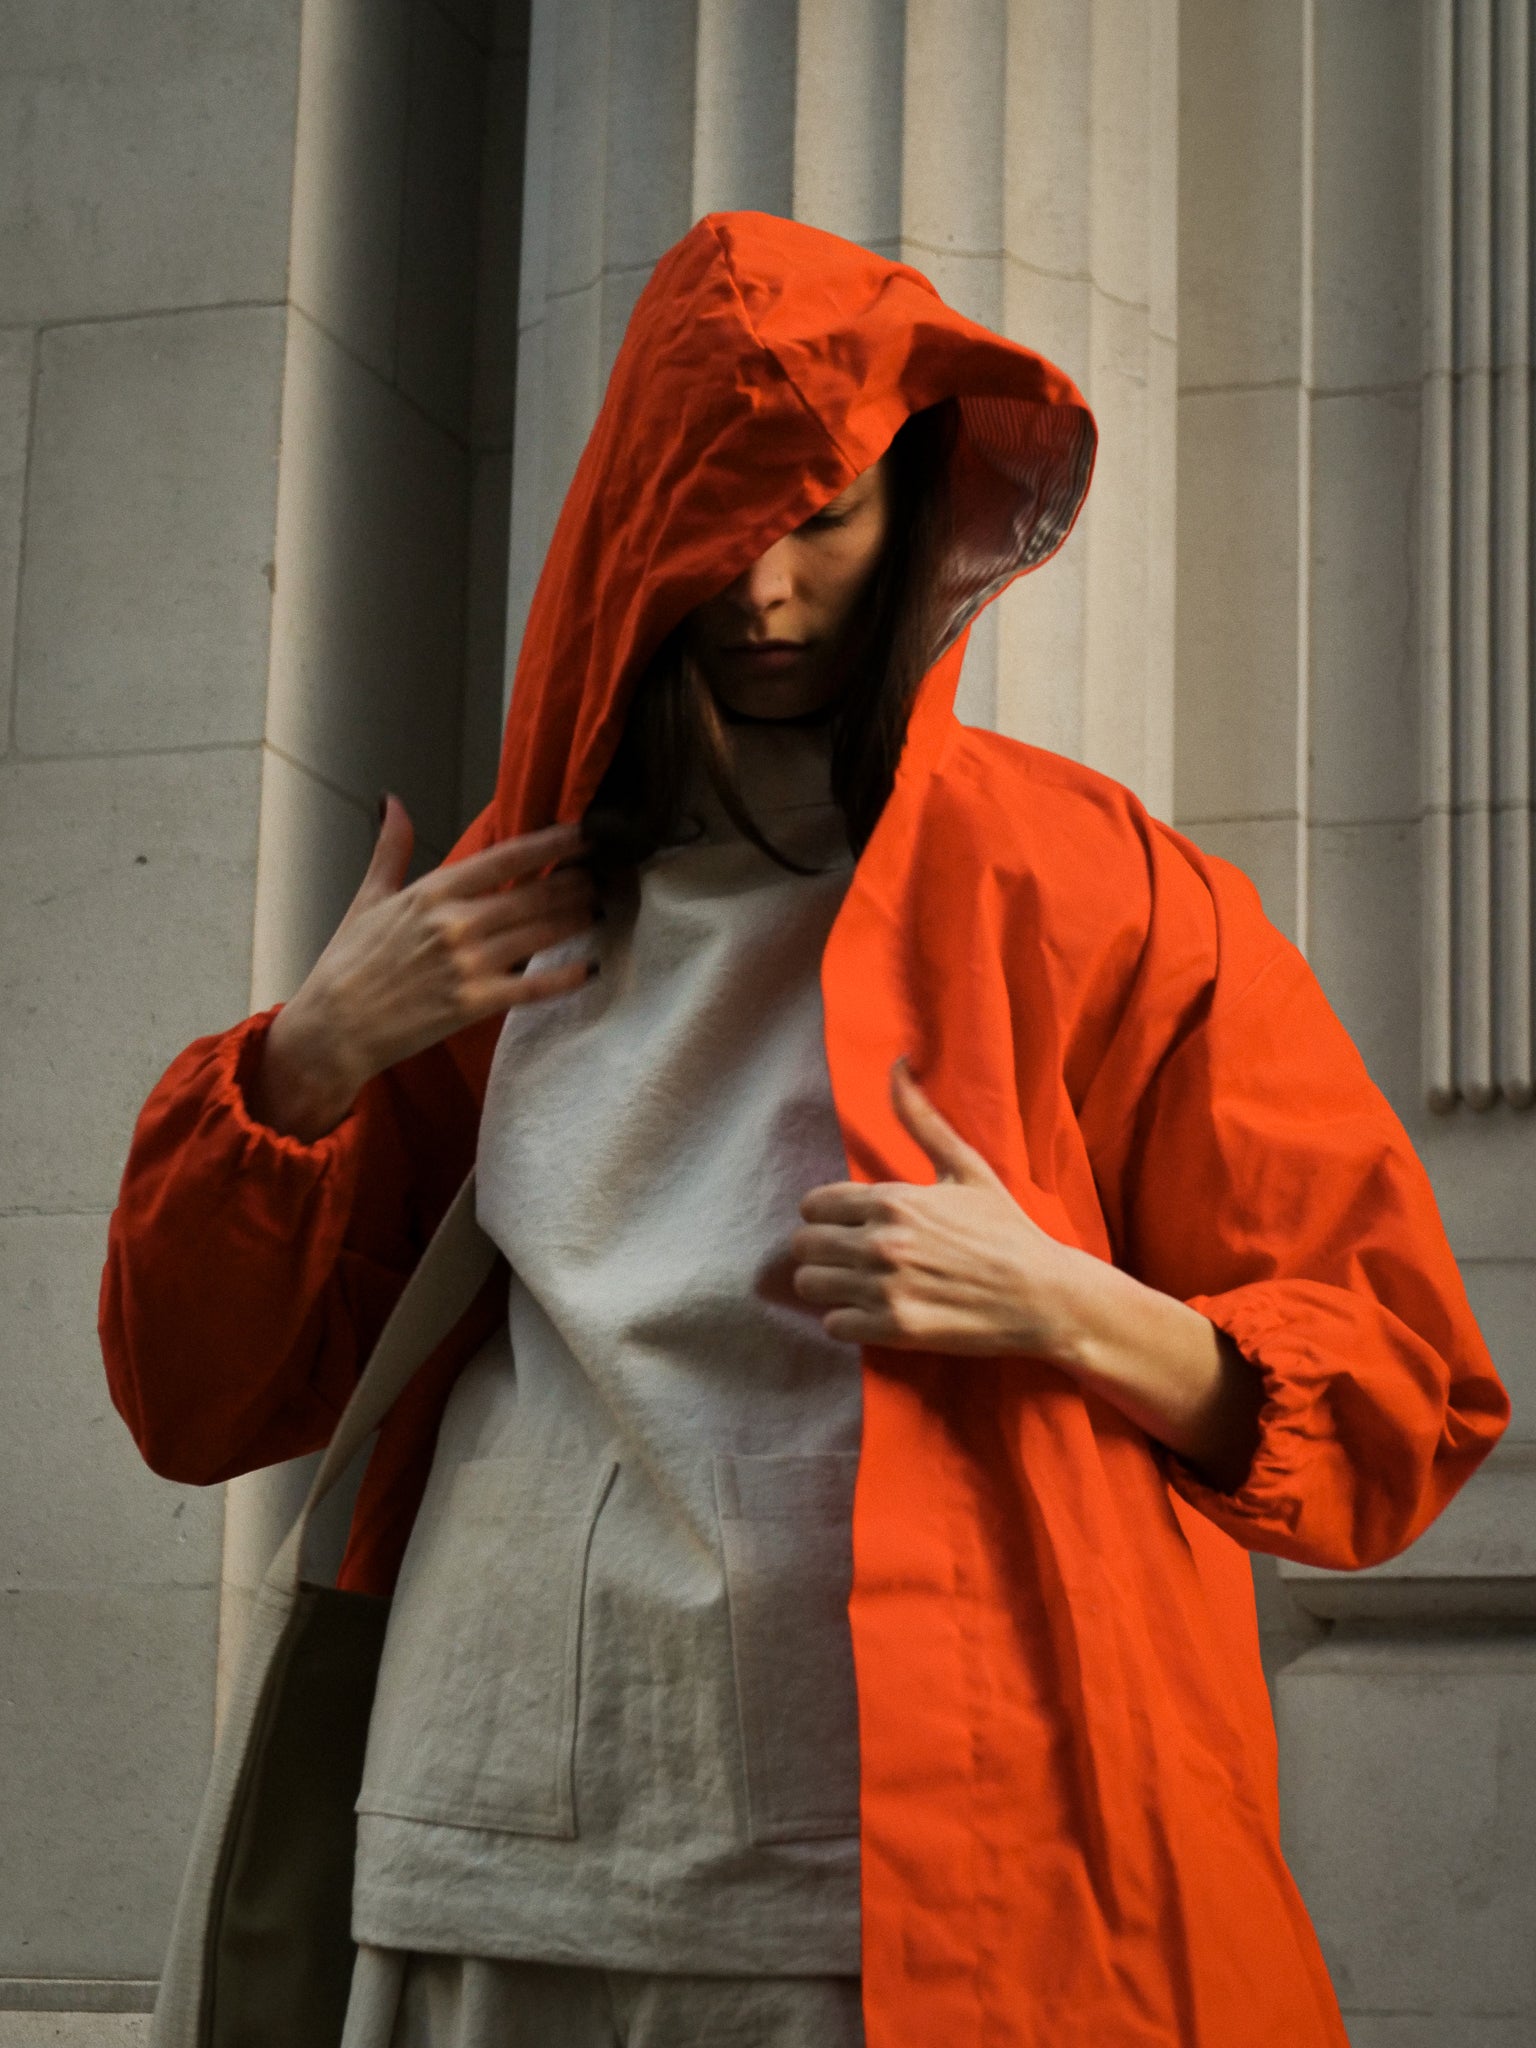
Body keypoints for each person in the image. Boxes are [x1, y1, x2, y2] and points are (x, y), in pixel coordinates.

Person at [101, 212, 1509, 2048]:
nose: (764, 587)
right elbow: (201, 1401)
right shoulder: (492, 903)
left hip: (922, 1866)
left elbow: (1400, 1394)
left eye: (823, 519)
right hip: (485, 1837)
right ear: (629, 533)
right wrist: (303, 1063)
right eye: (715, 525)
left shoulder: (1094, 885)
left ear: (908, 516)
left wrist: (1070, 1304)